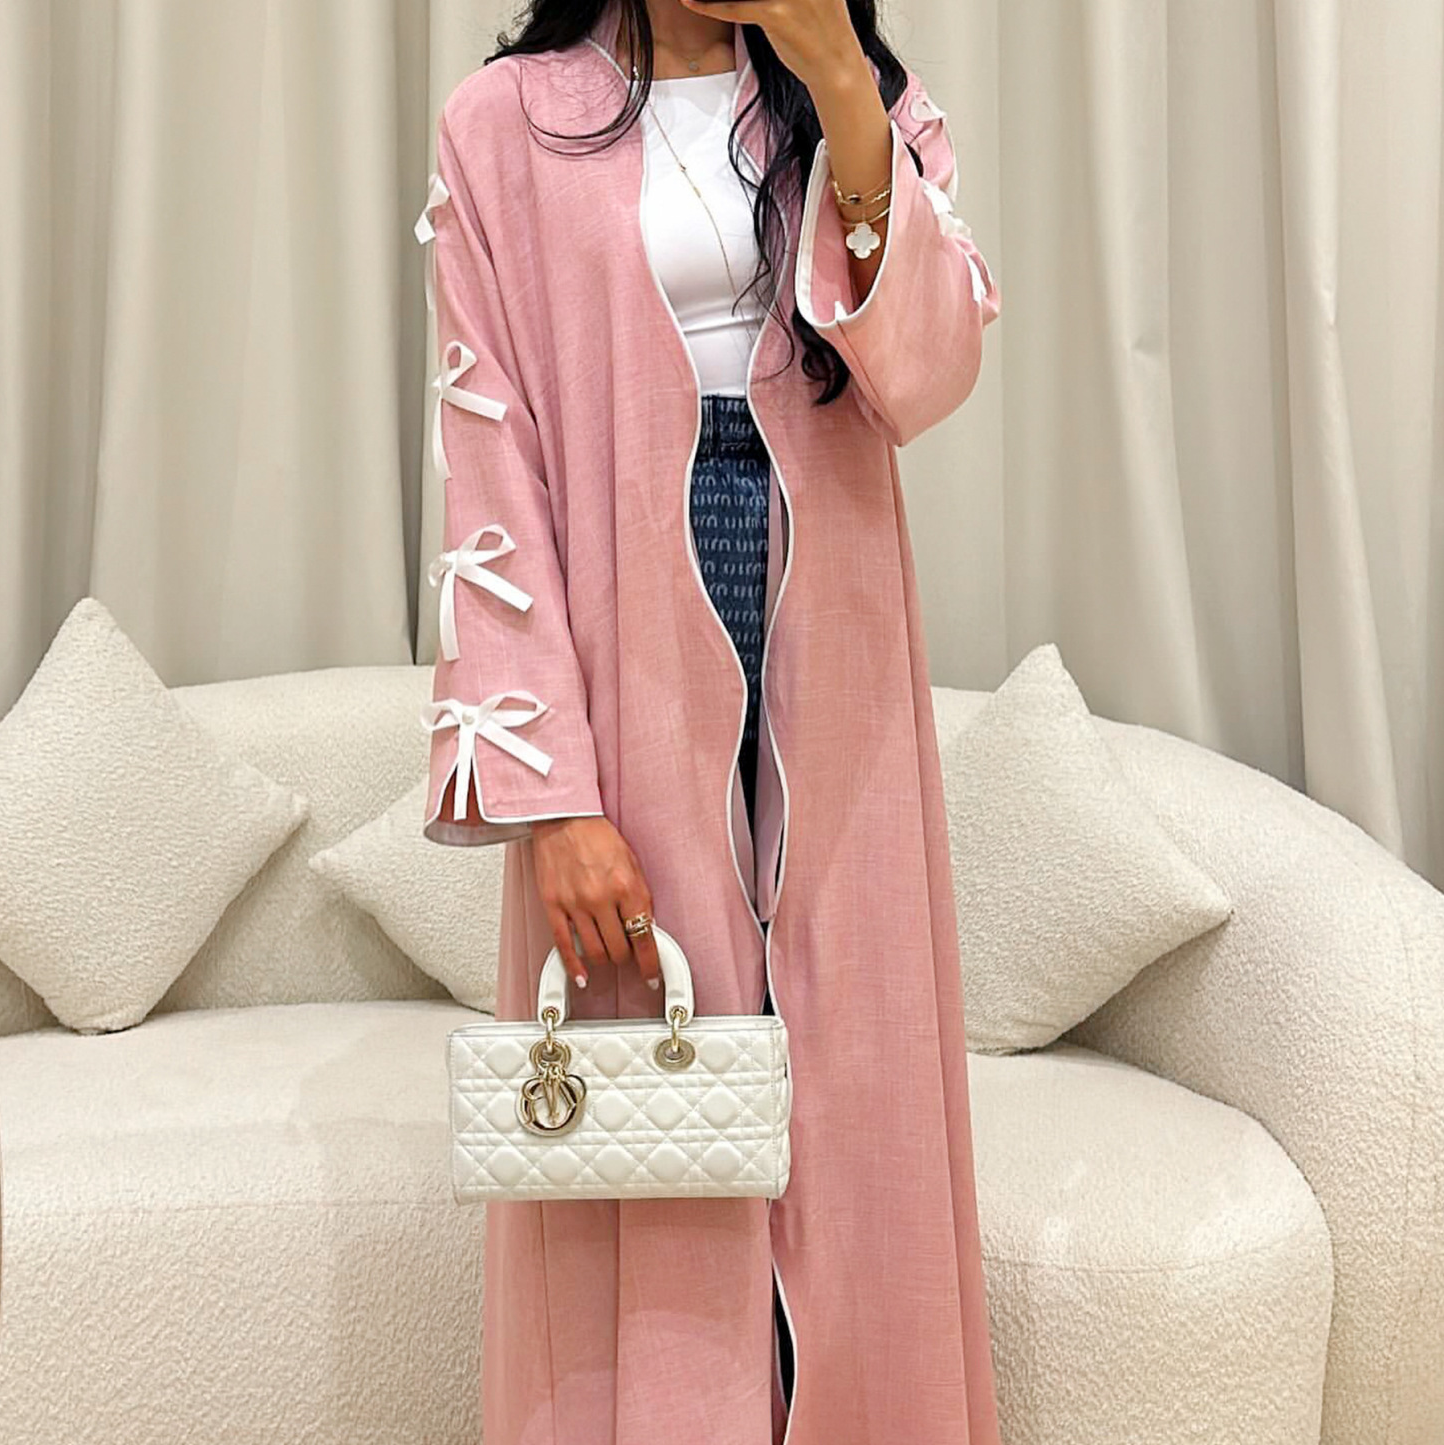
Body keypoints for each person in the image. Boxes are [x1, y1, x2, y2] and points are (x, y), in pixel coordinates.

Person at [418, 1, 1002, 1441]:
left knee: (849, 1085)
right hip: (618, 641)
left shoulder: (855, 102)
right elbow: (490, 471)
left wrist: (840, 81)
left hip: (833, 637)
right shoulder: (503, 125)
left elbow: (928, 377)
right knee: (657, 1090)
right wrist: (550, 799)